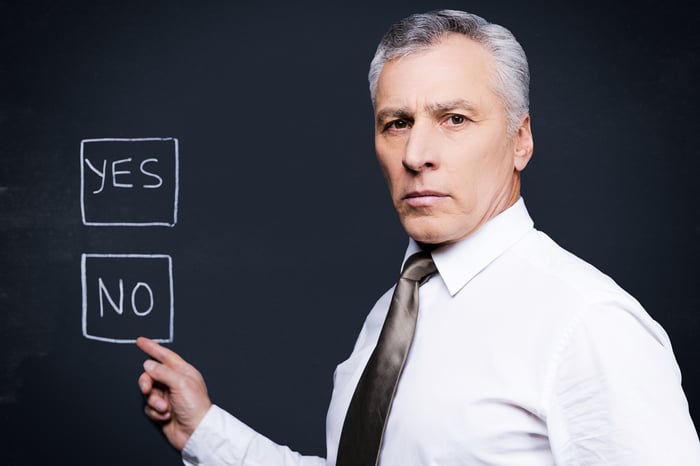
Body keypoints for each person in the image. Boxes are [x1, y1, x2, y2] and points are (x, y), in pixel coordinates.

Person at [137, 9, 700, 465]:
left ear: (520, 139)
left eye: (454, 118)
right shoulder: (396, 311)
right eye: (397, 123)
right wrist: (206, 432)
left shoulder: (587, 324)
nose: (415, 155)